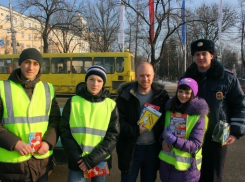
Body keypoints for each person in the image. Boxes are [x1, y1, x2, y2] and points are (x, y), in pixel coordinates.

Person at [183, 39, 245, 182]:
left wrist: (235, 131)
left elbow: (239, 105)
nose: (201, 57)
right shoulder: (187, 78)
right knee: (191, 174)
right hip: (191, 136)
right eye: (197, 54)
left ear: (212, 55)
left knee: (213, 176)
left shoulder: (227, 78)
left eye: (204, 53)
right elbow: (178, 104)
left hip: (217, 137)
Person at [0, 48, 60, 182]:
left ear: (39, 67)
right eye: (27, 62)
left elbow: (55, 120)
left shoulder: (48, 89)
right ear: (20, 64)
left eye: (35, 63)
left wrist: (48, 142)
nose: (31, 67)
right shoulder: (2, 88)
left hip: (40, 162)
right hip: (13, 164)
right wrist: (15, 143)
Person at [59, 65, 120, 182]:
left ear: (103, 83)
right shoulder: (73, 102)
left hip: (99, 160)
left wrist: (91, 160)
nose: (95, 84)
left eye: (99, 80)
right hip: (78, 161)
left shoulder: (111, 105)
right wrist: (79, 158)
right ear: (86, 80)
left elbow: (113, 136)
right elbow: (64, 130)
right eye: (91, 79)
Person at [116, 62, 170, 182]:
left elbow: (169, 121)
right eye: (141, 75)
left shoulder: (162, 96)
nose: (145, 79)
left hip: (153, 148)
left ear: (153, 75)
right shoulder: (124, 96)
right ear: (136, 75)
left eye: (148, 75)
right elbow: (118, 124)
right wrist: (136, 130)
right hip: (131, 149)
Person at [159, 78, 209, 182]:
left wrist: (173, 140)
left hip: (187, 169)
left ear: (193, 94)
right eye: (180, 91)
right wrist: (162, 141)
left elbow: (195, 144)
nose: (183, 95)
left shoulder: (199, 116)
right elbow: (164, 132)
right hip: (167, 166)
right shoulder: (169, 110)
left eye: (187, 92)